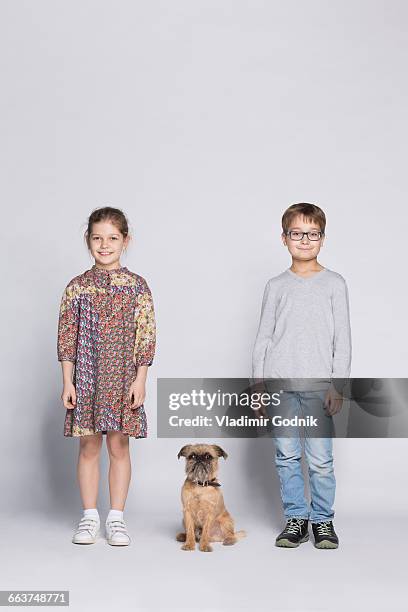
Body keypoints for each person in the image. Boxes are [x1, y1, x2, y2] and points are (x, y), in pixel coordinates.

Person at [252, 203, 351, 549]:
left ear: (322, 239)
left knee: (321, 461)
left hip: (319, 387)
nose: (304, 240)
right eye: (297, 233)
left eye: (312, 234)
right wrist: (257, 385)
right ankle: (297, 518)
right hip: (280, 387)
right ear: (284, 238)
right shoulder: (276, 286)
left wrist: (338, 385)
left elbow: (343, 339)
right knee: (287, 456)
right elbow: (263, 337)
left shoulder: (334, 284)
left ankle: (323, 521)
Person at [57, 206, 156, 546]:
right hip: (86, 376)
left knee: (118, 444)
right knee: (88, 445)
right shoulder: (77, 287)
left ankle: (116, 518)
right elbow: (67, 336)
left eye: (112, 238)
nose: (104, 245)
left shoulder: (137, 286)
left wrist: (140, 379)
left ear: (125, 241)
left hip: (122, 378)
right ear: (88, 241)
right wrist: (67, 381)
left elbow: (146, 334)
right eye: (97, 238)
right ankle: (89, 517)